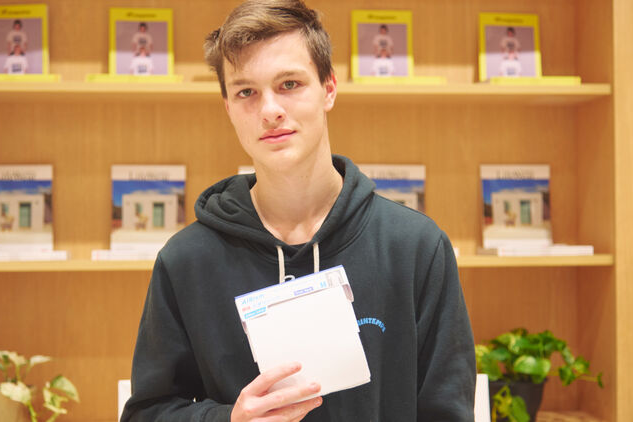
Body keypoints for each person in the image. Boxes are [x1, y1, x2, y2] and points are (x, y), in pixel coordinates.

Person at [121, 1, 475, 421]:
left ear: (328, 89)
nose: (270, 110)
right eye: (246, 92)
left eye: (289, 83)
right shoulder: (185, 260)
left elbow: (446, 411)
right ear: (228, 107)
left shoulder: (415, 247)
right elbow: (148, 412)